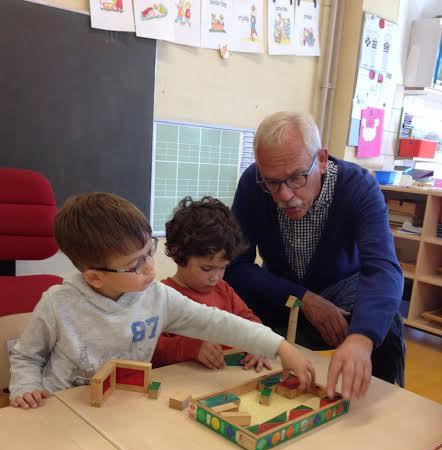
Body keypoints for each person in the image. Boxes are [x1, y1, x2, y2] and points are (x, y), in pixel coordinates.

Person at [9, 192, 314, 409]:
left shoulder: (158, 297)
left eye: (149, 252)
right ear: (94, 278)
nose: (151, 268)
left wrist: (280, 346)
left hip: (123, 407)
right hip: (63, 409)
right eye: (136, 265)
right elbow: (26, 356)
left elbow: (217, 322)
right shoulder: (57, 304)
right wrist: (27, 388)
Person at [225, 111, 405, 400]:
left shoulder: (358, 186)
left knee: (384, 319)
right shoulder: (252, 183)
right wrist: (303, 297)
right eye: (271, 182)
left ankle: (375, 401)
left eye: (296, 177)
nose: (283, 195)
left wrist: (362, 337)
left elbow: (384, 269)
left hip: (343, 298)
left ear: (321, 159)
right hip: (285, 295)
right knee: (227, 295)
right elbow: (235, 266)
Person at [153, 196, 271, 371]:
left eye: (223, 267)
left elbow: (249, 321)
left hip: (223, 383)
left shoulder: (223, 290)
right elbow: (151, 349)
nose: (215, 278)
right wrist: (190, 347)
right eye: (207, 269)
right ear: (178, 254)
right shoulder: (161, 296)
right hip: (181, 386)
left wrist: (258, 343)